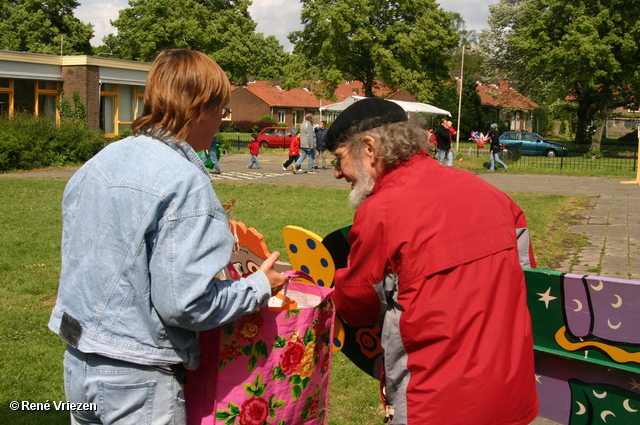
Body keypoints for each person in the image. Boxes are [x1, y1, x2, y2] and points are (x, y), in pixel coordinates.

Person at [48, 49, 287, 425]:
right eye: (222, 111)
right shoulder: (184, 181)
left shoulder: (101, 160)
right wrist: (259, 286)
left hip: (79, 363)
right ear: (200, 108)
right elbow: (184, 303)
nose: (222, 123)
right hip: (137, 378)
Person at [324, 97, 538, 425]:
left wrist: (328, 279)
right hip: (510, 393)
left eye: (339, 159)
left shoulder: (381, 211)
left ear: (368, 148)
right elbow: (528, 281)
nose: (338, 173)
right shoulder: (496, 196)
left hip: (435, 403)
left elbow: (358, 304)